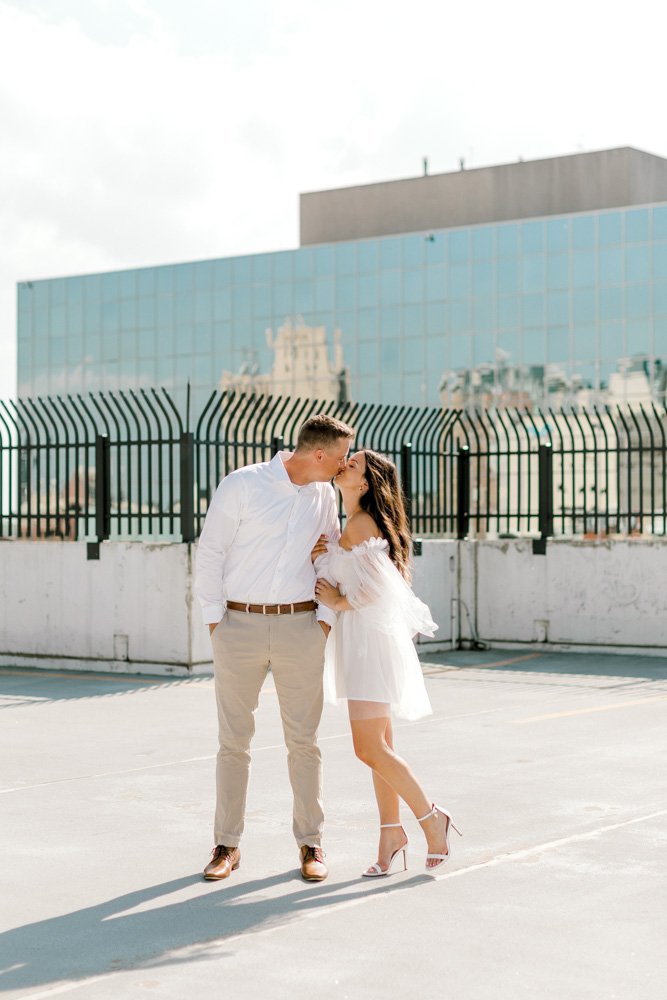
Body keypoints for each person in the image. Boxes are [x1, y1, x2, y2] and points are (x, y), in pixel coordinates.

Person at [195, 413, 355, 882]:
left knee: (304, 742)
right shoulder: (242, 484)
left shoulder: (324, 494)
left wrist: (323, 622)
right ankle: (227, 845)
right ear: (320, 454)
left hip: (301, 627)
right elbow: (210, 552)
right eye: (342, 457)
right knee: (233, 743)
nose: (346, 466)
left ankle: (312, 844)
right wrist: (214, 624)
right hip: (238, 626)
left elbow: (329, 555)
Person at [313, 449, 462, 876]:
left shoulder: (361, 524)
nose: (344, 464)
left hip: (368, 642)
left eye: (353, 463)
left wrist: (339, 600)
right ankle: (390, 835)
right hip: (364, 639)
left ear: (364, 483)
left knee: (369, 748)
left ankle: (433, 819)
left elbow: (385, 589)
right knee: (382, 749)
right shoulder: (355, 525)